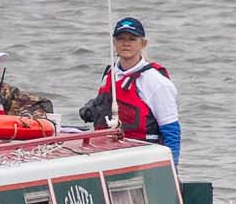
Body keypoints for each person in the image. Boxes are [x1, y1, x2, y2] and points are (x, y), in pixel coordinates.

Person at [77, 17, 181, 162]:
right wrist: (92, 108)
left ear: (143, 44)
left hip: (143, 155)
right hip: (107, 153)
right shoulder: (110, 74)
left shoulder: (155, 81)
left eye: (132, 39)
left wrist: (172, 168)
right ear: (113, 43)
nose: (126, 43)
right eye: (121, 39)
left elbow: (171, 129)